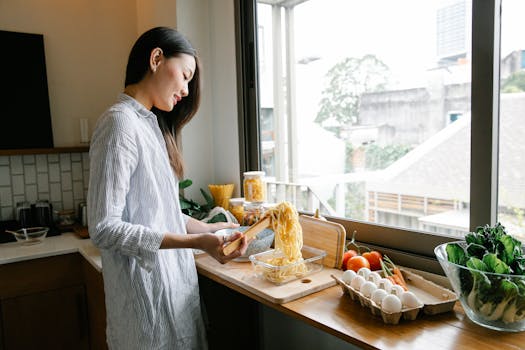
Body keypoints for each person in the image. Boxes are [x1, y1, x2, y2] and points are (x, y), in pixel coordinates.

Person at [87, 26, 248, 350]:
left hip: (174, 294)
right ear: (156, 58)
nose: (187, 90)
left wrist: (210, 230)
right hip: (145, 306)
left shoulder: (150, 126)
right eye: (185, 76)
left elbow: (162, 212)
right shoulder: (119, 123)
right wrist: (198, 241)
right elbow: (104, 228)